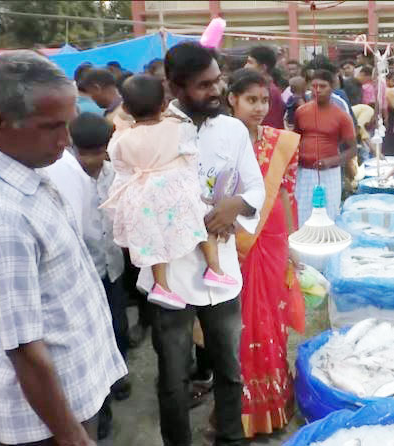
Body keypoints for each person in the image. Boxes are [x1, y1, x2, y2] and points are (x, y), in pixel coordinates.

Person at [0, 50, 127, 446]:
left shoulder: (24, 169)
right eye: (52, 128)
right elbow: (24, 348)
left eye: (67, 126)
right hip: (48, 422)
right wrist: (71, 436)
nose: (66, 142)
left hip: (70, 393)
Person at [145, 41, 265, 446]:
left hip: (221, 269)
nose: (215, 91)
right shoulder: (153, 133)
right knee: (174, 377)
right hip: (170, 273)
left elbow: (256, 189)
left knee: (229, 367)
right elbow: (132, 200)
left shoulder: (232, 129)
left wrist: (235, 205)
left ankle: (229, 436)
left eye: (218, 81)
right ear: (174, 87)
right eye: (203, 85)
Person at [102, 74, 238, 312]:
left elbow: (119, 165)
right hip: (176, 191)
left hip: (142, 194)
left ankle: (161, 285)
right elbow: (191, 154)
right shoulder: (178, 128)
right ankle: (215, 269)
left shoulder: (121, 138)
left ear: (126, 107)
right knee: (203, 222)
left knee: (153, 241)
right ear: (164, 104)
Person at [227, 68, 305, 438]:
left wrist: (290, 243)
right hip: (234, 242)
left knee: (273, 320)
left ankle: (276, 400)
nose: (258, 108)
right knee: (239, 324)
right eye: (250, 100)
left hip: (272, 239)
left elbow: (286, 194)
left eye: (263, 100)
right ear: (232, 100)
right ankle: (240, 408)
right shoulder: (218, 142)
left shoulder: (280, 142)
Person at [68, 112, 132, 439]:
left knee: (118, 326)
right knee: (93, 337)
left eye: (99, 151)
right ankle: (100, 404)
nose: (93, 159)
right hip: (84, 272)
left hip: (112, 267)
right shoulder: (64, 179)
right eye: (86, 152)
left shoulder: (114, 173)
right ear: (72, 147)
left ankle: (118, 372)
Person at [294, 69, 357, 225]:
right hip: (304, 172)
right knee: (302, 216)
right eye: (314, 86)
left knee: (329, 216)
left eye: (323, 86)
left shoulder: (342, 116)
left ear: (332, 87)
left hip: (330, 173)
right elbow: (295, 139)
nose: (318, 90)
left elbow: (352, 150)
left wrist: (331, 161)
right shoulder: (301, 112)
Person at [245, 46, 285, 129]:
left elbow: (269, 125)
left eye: (250, 62)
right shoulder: (264, 88)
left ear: (263, 68)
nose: (246, 67)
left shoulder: (270, 91)